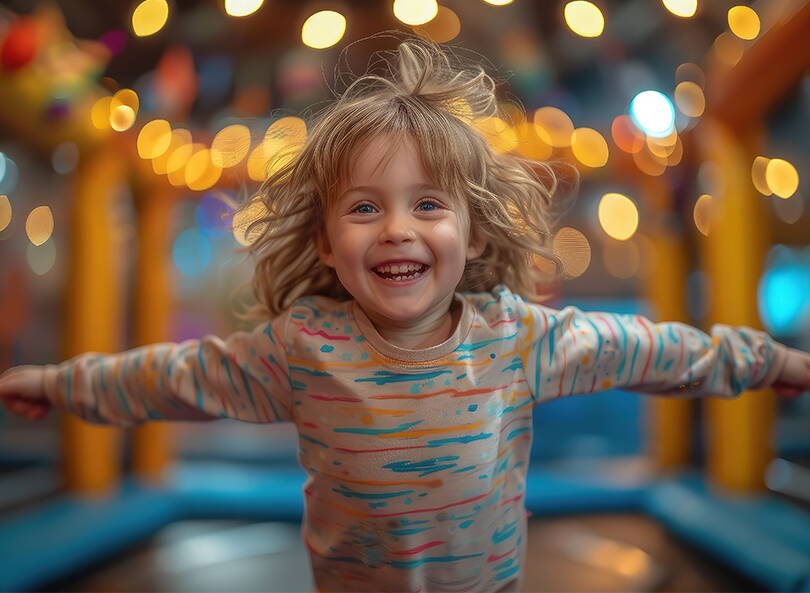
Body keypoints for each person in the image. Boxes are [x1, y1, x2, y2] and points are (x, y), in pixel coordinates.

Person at [1, 37, 809, 593]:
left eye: (427, 204)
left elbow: (654, 351)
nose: (396, 228)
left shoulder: (518, 338)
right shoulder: (303, 347)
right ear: (323, 240)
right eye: (364, 208)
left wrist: (765, 360)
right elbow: (167, 377)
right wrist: (63, 383)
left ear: (470, 229)